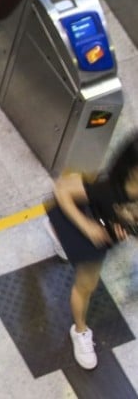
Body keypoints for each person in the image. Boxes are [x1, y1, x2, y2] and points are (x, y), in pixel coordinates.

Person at [45, 135, 138, 370]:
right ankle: (79, 330)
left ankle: (61, 238)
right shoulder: (106, 189)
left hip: (108, 235)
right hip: (90, 233)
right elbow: (62, 190)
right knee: (87, 285)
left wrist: (129, 224)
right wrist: (86, 226)